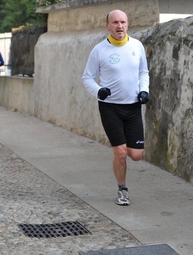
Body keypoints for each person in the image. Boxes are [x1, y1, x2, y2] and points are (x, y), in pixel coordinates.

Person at [82, 9, 150, 206]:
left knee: (136, 155)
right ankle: (122, 189)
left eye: (123, 22)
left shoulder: (137, 45)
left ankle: (127, 153)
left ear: (127, 25)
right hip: (110, 107)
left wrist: (144, 90)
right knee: (120, 153)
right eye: (115, 22)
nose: (119, 26)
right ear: (107, 26)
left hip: (133, 106)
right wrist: (98, 91)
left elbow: (143, 72)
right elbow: (87, 77)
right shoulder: (99, 50)